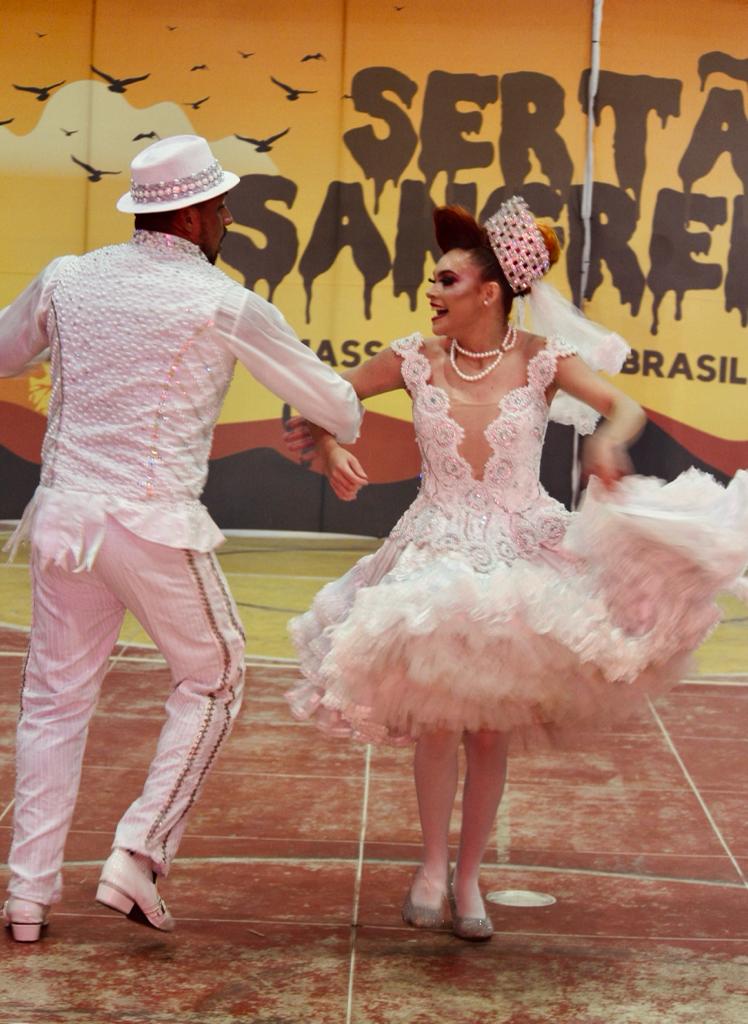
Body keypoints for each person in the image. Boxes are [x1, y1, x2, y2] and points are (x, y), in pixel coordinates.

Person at [284, 197, 748, 941]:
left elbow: (623, 408)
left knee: (489, 730)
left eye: (447, 280)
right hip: (434, 548)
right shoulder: (413, 357)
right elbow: (320, 396)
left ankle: (469, 877)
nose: (431, 291)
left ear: (490, 292)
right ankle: (430, 868)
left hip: (520, 549)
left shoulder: (542, 360)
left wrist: (606, 442)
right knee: (439, 723)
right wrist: (330, 445)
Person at [0, 134, 363, 942]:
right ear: (193, 216)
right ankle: (138, 853)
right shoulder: (221, 301)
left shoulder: (67, 277)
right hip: (152, 524)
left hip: (64, 518)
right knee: (217, 672)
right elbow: (337, 403)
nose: (228, 219)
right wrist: (335, 426)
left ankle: (26, 897)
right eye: (222, 207)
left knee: (53, 703)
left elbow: (3, 350)